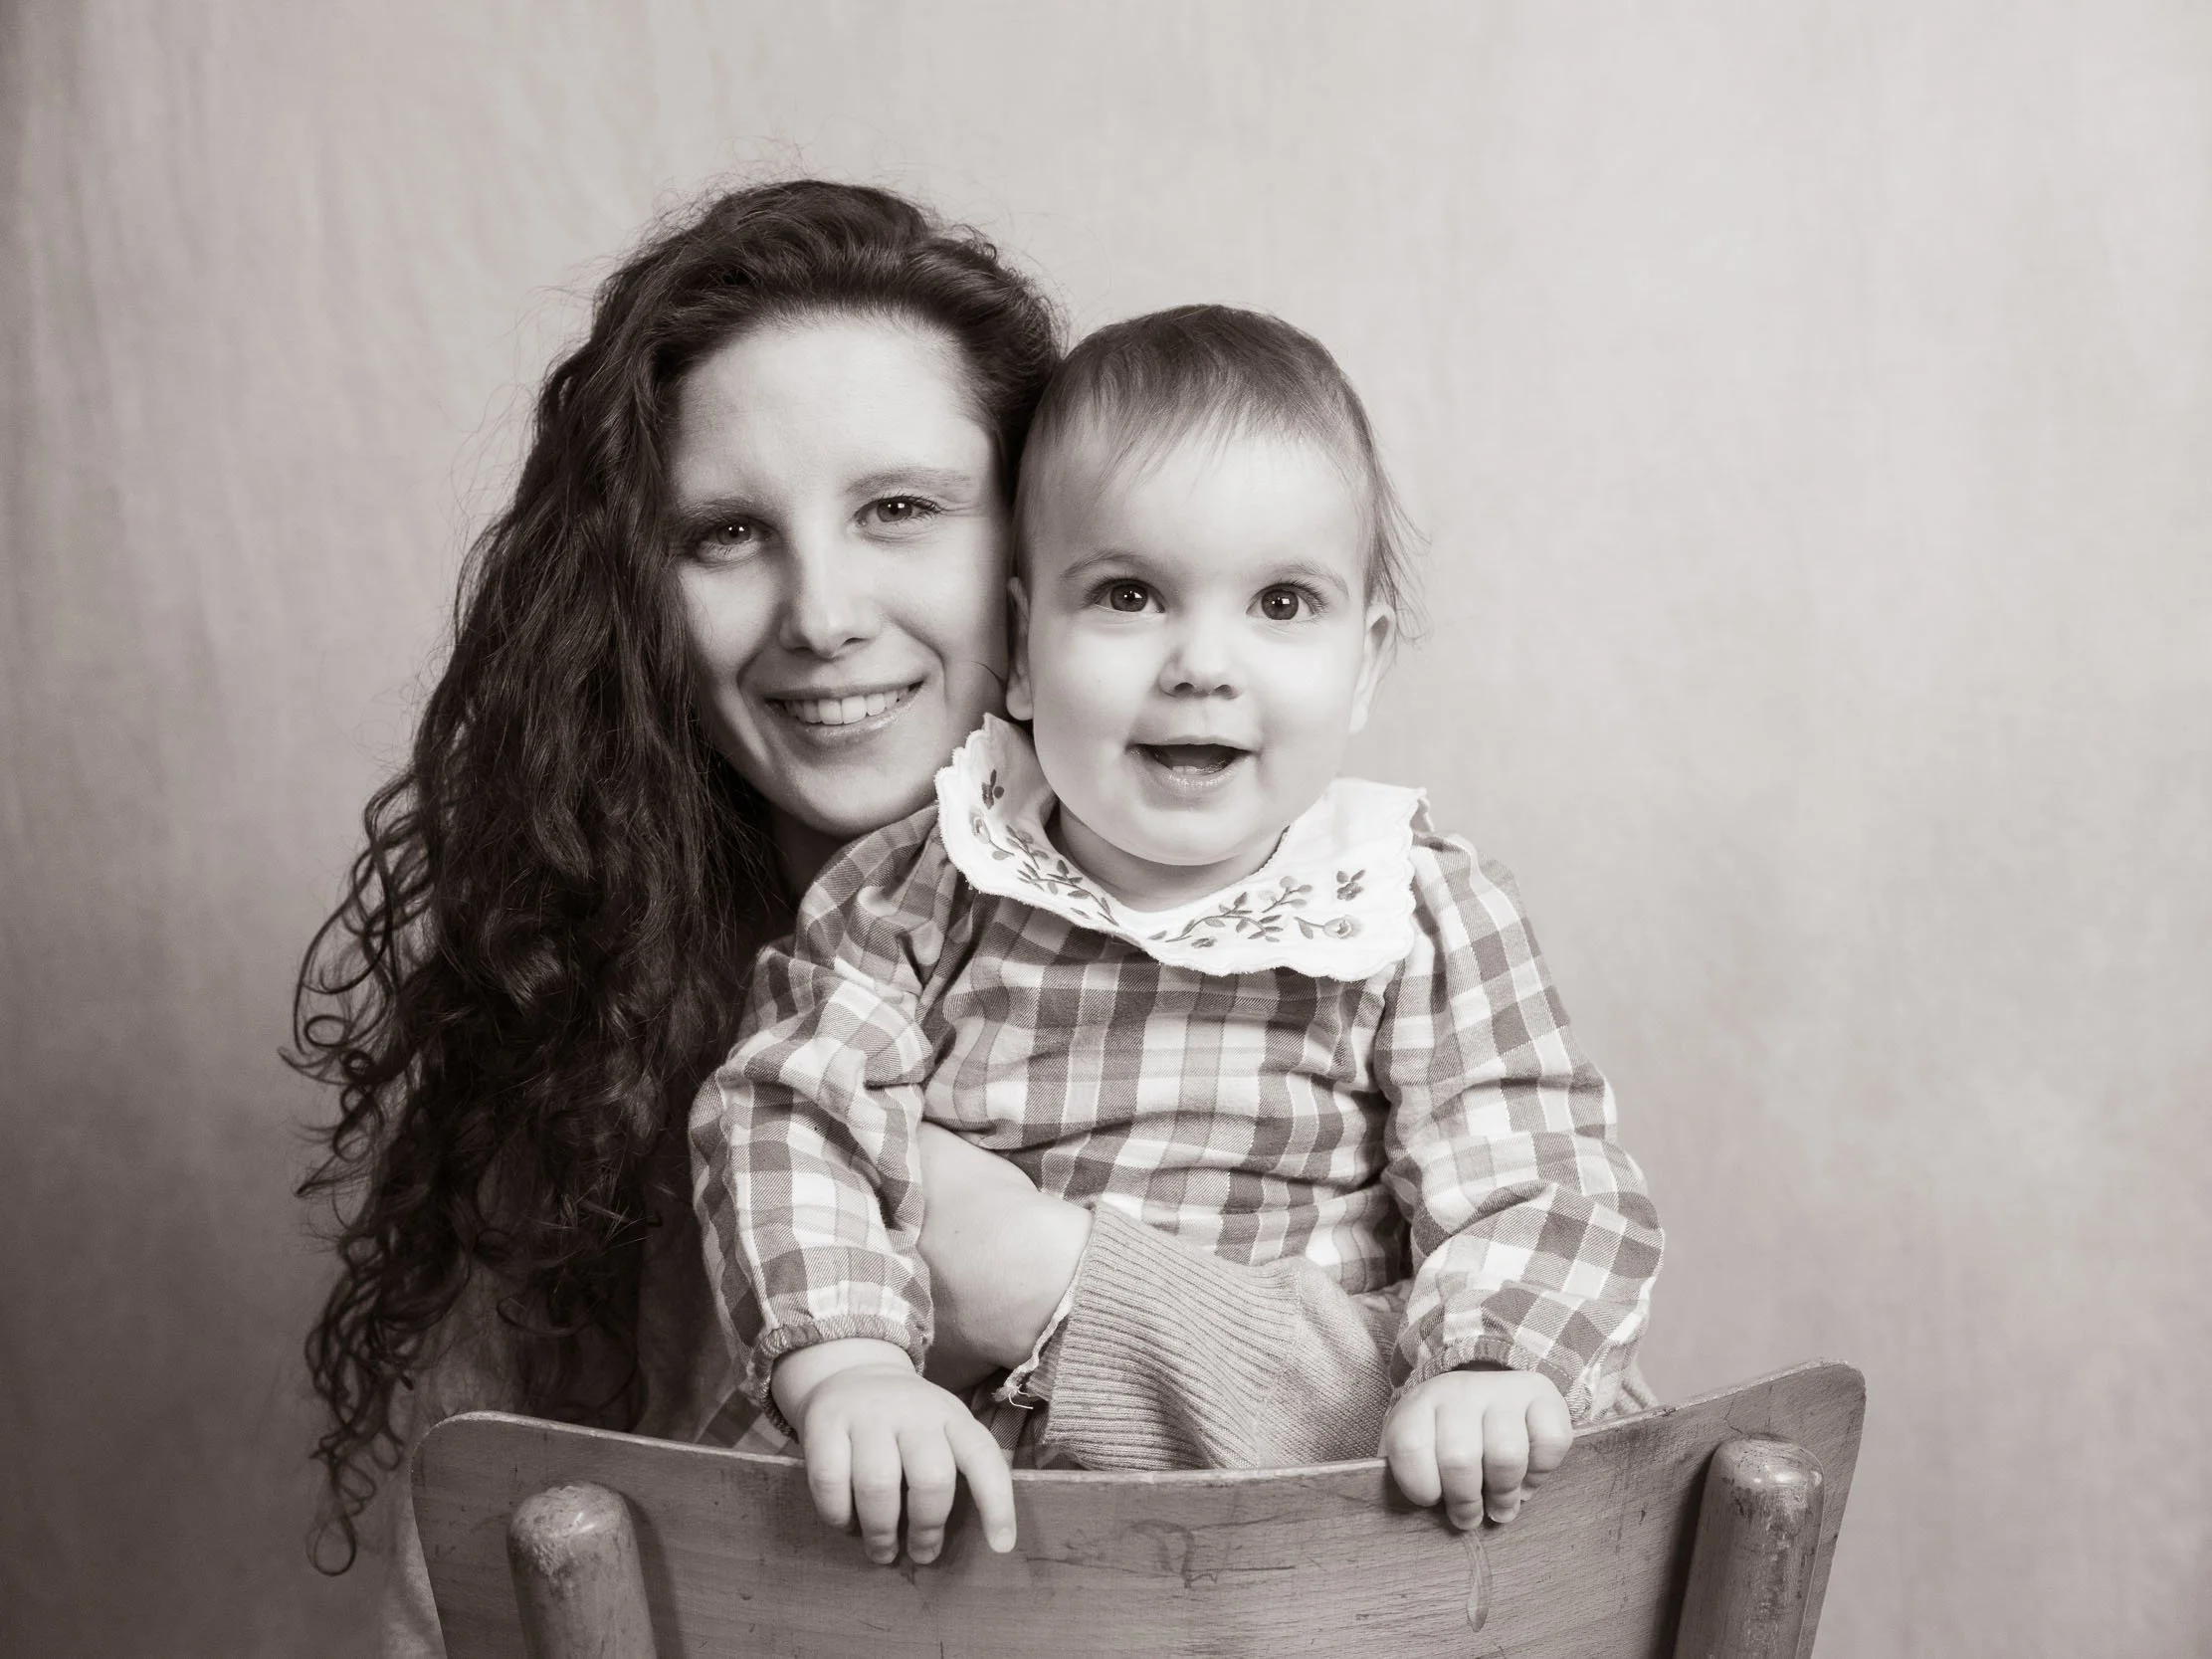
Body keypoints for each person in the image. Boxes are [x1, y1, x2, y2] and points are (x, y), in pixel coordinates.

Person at [292, 181, 1496, 1658]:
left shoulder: (1335, 929)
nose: (820, 612)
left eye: (897, 509)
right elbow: (465, 1595)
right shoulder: (591, 1047)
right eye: (726, 532)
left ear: (1042, 558)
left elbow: (1566, 1446)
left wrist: (1047, 1277)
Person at [691, 306, 1665, 1569]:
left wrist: (1488, 1363)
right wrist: (851, 1366)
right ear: (1024, 652)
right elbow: (788, 1114)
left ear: (1364, 665)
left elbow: (1541, 1174)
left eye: (1281, 600)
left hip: (1289, 1547)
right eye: (1132, 595)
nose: (1204, 662)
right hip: (967, 1521)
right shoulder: (925, 886)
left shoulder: (1411, 906)